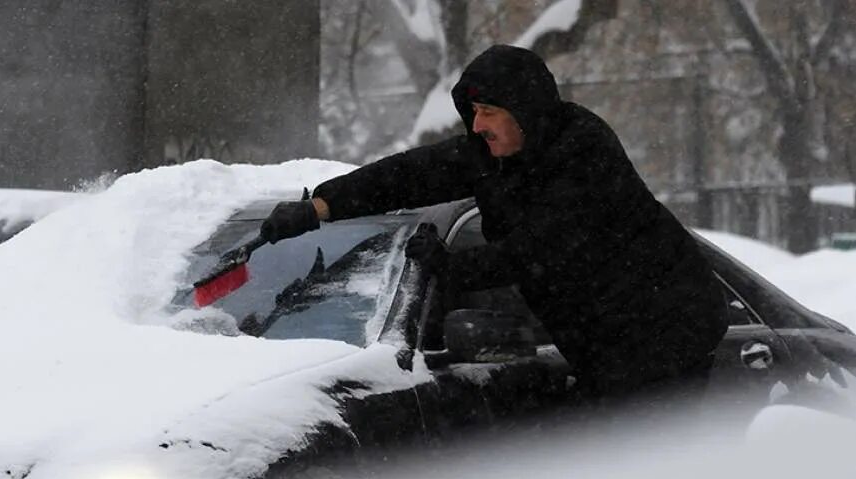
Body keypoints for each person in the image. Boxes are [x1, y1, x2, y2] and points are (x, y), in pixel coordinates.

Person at [259, 44, 728, 401]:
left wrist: (452, 269)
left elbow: (547, 248)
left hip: (666, 333)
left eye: (490, 113)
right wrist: (319, 207)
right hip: (600, 345)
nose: (478, 125)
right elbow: (407, 174)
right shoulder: (491, 153)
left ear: (526, 113)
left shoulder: (584, 152)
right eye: (474, 113)